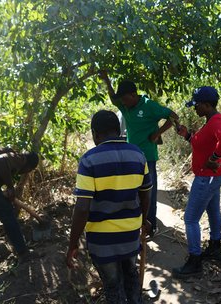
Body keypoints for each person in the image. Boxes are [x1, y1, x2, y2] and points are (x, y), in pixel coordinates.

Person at [66, 110, 152, 304]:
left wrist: (73, 244)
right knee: (131, 275)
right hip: (130, 234)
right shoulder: (138, 154)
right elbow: (146, 193)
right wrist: (143, 219)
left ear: (95, 133)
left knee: (113, 285)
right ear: (118, 130)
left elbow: (81, 209)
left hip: (102, 241)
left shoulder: (89, 160)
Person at [99, 71, 179, 238]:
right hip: (130, 156)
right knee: (133, 191)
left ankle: (152, 226)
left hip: (147, 157)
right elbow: (114, 97)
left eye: (126, 99)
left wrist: (157, 133)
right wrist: (106, 79)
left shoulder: (150, 106)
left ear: (134, 95)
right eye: (122, 100)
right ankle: (138, 223)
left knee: (149, 190)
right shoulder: (124, 105)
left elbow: (173, 116)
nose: (123, 103)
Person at [172, 86, 221, 279]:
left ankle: (195, 261)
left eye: (197, 105)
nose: (194, 109)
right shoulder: (212, 120)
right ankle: (215, 247)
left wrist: (214, 158)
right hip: (212, 176)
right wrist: (187, 135)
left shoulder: (215, 121)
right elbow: (203, 143)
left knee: (190, 218)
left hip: (207, 177)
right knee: (213, 210)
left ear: (207, 105)